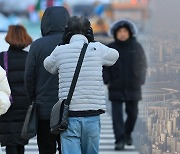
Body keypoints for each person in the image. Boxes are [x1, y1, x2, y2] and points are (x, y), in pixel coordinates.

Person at [44, 16, 119, 154]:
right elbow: (114, 56)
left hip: (69, 115)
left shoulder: (60, 50)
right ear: (89, 31)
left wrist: (62, 44)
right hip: (92, 114)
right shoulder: (97, 48)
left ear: (67, 32)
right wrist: (93, 42)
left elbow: (48, 66)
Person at [25, 6, 70, 154]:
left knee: (46, 148)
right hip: (69, 108)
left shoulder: (37, 45)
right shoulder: (73, 45)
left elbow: (29, 77)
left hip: (44, 108)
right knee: (68, 147)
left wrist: (33, 99)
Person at [103, 19, 147, 150]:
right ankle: (120, 140)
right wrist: (107, 79)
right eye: (120, 31)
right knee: (117, 116)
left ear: (130, 33)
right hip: (115, 86)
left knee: (133, 113)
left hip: (133, 85)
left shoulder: (136, 46)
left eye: (125, 31)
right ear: (115, 33)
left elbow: (143, 64)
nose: (122, 34)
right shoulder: (110, 47)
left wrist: (141, 79)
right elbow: (104, 65)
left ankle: (127, 133)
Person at [0, 25, 32, 154]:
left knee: (10, 141)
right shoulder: (30, 57)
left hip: (7, 104)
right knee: (20, 140)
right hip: (25, 105)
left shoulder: (2, 57)